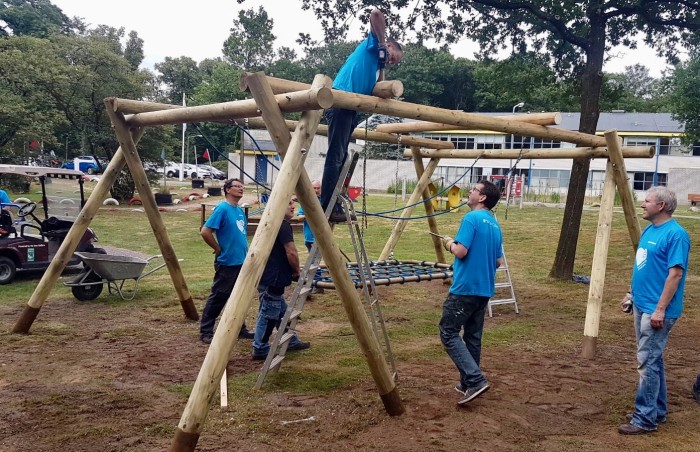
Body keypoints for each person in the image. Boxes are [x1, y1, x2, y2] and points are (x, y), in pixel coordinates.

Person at [618, 186, 691, 435]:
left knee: (646, 362)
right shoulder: (650, 230)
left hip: (657, 310)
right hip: (642, 304)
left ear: (661, 206)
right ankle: (656, 411)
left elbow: (676, 274)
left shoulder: (676, 235)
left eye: (647, 200)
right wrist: (632, 295)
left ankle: (645, 419)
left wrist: (660, 309)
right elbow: (643, 266)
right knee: (653, 360)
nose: (642, 204)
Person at [320, 8, 403, 223]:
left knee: (343, 156)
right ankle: (327, 204)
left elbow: (377, 85)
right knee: (336, 155)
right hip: (340, 101)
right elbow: (376, 14)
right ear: (390, 46)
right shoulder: (375, 44)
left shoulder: (376, 64)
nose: (392, 61)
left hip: (350, 107)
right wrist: (383, 43)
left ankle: (334, 200)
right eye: (394, 57)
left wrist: (384, 66)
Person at [439, 180, 503, 405]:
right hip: (484, 289)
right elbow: (498, 261)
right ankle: (468, 384)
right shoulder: (495, 225)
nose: (470, 192)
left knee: (448, 332)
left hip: (465, 288)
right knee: (473, 337)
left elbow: (461, 251)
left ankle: (475, 380)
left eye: (474, 190)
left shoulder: (471, 218)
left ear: (482, 197)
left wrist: (449, 243)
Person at [252, 199, 310, 360]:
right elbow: (291, 252)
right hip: (274, 277)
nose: (293, 206)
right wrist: (297, 271)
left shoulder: (271, 222)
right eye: (288, 203)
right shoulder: (283, 225)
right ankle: (260, 347)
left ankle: (289, 341)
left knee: (282, 311)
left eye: (294, 203)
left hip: (266, 274)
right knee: (269, 313)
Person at [199, 178, 255, 344]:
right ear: (227, 190)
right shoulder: (222, 209)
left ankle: (239, 328)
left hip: (241, 261)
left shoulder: (238, 210)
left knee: (239, 297)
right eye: (237, 186)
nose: (241, 189)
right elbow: (205, 232)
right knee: (219, 296)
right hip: (227, 262)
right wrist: (217, 249)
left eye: (242, 186)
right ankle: (206, 331)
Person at [297, 180, 324, 295]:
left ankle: (318, 284)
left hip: (318, 237)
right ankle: (316, 283)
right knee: (313, 262)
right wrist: (308, 215)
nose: (316, 190)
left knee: (314, 262)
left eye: (318, 188)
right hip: (308, 237)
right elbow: (299, 216)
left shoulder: (323, 201)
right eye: (314, 188)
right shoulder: (306, 201)